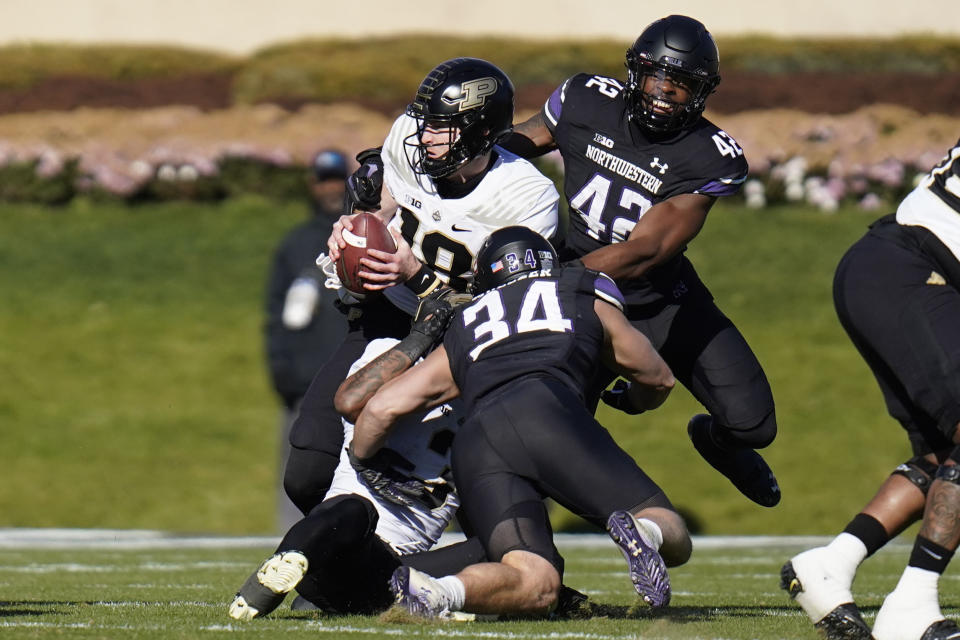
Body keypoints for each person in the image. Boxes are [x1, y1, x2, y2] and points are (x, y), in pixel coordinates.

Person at [501, 14, 780, 508]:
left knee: (753, 424)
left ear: (701, 93)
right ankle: (521, 550)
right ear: (635, 72)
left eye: (681, 83)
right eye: (656, 75)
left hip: (656, 300)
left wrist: (551, 279)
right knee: (550, 440)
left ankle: (715, 441)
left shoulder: (709, 156)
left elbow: (644, 251)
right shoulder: (587, 98)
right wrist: (459, 156)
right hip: (581, 303)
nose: (663, 91)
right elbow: (519, 143)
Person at [350, 226, 691, 618]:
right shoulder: (575, 288)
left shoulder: (467, 323)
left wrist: (364, 459)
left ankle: (442, 592)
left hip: (478, 444)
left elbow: (382, 408)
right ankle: (645, 532)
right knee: (671, 531)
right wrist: (633, 400)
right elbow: (657, 377)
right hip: (546, 410)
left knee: (536, 583)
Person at [283, 57, 559, 516]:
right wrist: (354, 228)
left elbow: (513, 310)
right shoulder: (409, 137)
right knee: (308, 470)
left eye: (441, 127)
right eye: (425, 122)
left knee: (484, 498)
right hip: (388, 317)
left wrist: (415, 273)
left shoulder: (527, 198)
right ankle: (346, 561)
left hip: (465, 344)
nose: (424, 136)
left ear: (481, 130)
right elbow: (381, 206)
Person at [781, 139, 960, 640]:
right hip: (914, 271)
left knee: (946, 453)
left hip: (888, 265)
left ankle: (830, 563)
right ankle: (911, 605)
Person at [230, 294, 471, 618]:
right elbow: (352, 399)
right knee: (356, 511)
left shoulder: (486, 391)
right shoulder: (386, 354)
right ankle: (288, 561)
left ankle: (319, 587)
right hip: (336, 544)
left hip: (396, 572)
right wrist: (419, 340)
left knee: (507, 553)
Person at [265, 149, 351, 529]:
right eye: (323, 179)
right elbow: (275, 314)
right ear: (312, 185)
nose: (331, 188)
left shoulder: (370, 235)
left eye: (337, 179)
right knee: (300, 471)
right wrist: (283, 370)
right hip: (307, 381)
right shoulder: (296, 244)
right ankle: (291, 546)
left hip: (360, 378)